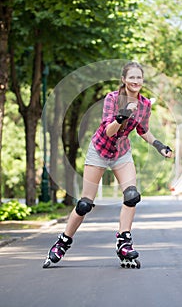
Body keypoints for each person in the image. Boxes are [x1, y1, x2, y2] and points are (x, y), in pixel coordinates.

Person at [43, 61, 173, 269]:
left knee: (132, 195)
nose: (135, 81)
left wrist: (159, 145)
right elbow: (108, 131)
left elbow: (143, 130)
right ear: (123, 79)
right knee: (85, 204)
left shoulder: (145, 104)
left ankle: (124, 241)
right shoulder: (112, 99)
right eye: (131, 77)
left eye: (139, 77)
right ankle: (63, 241)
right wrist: (122, 115)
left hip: (121, 152)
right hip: (100, 150)